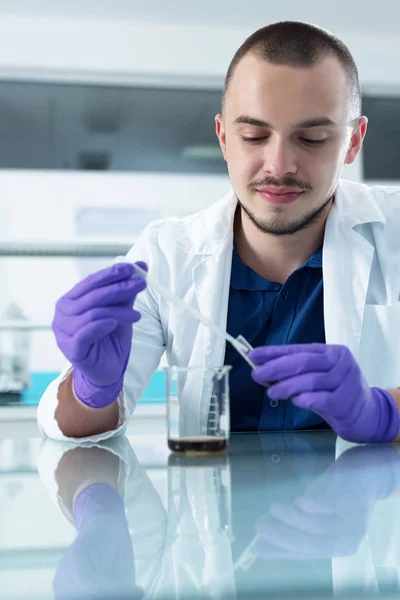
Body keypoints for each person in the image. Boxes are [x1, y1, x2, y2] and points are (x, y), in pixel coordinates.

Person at [38, 21, 400, 443]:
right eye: (254, 135)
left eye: (312, 139)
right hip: (214, 505)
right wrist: (92, 388)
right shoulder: (167, 255)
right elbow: (75, 431)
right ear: (224, 137)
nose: (279, 165)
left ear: (353, 141)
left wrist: (385, 413)